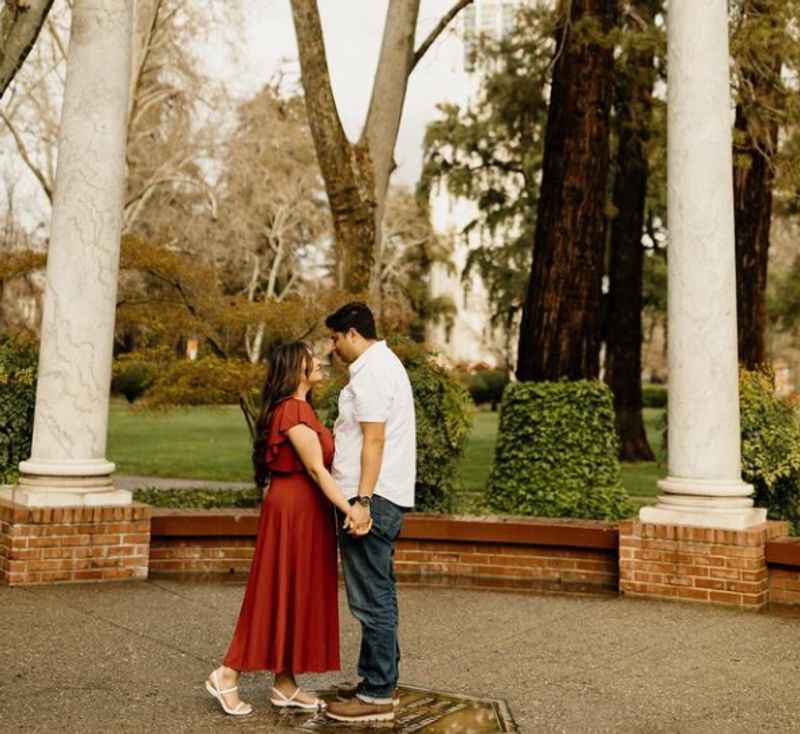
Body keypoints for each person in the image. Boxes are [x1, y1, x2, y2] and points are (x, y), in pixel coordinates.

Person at [205, 341, 363, 716]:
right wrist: (351, 509)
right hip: (294, 511)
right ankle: (226, 674)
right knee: (275, 590)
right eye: (312, 358)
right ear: (297, 367)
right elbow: (315, 469)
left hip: (304, 511)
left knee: (295, 592)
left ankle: (285, 684)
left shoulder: (302, 408)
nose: (320, 361)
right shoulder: (292, 410)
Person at [323, 302, 416, 724]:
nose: (332, 346)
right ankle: (379, 681)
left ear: (354, 333)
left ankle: (376, 695)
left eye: (335, 338)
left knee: (370, 598)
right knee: (380, 593)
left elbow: (373, 441)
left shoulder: (373, 371)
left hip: (371, 500)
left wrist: (361, 502)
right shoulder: (381, 365)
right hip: (380, 496)